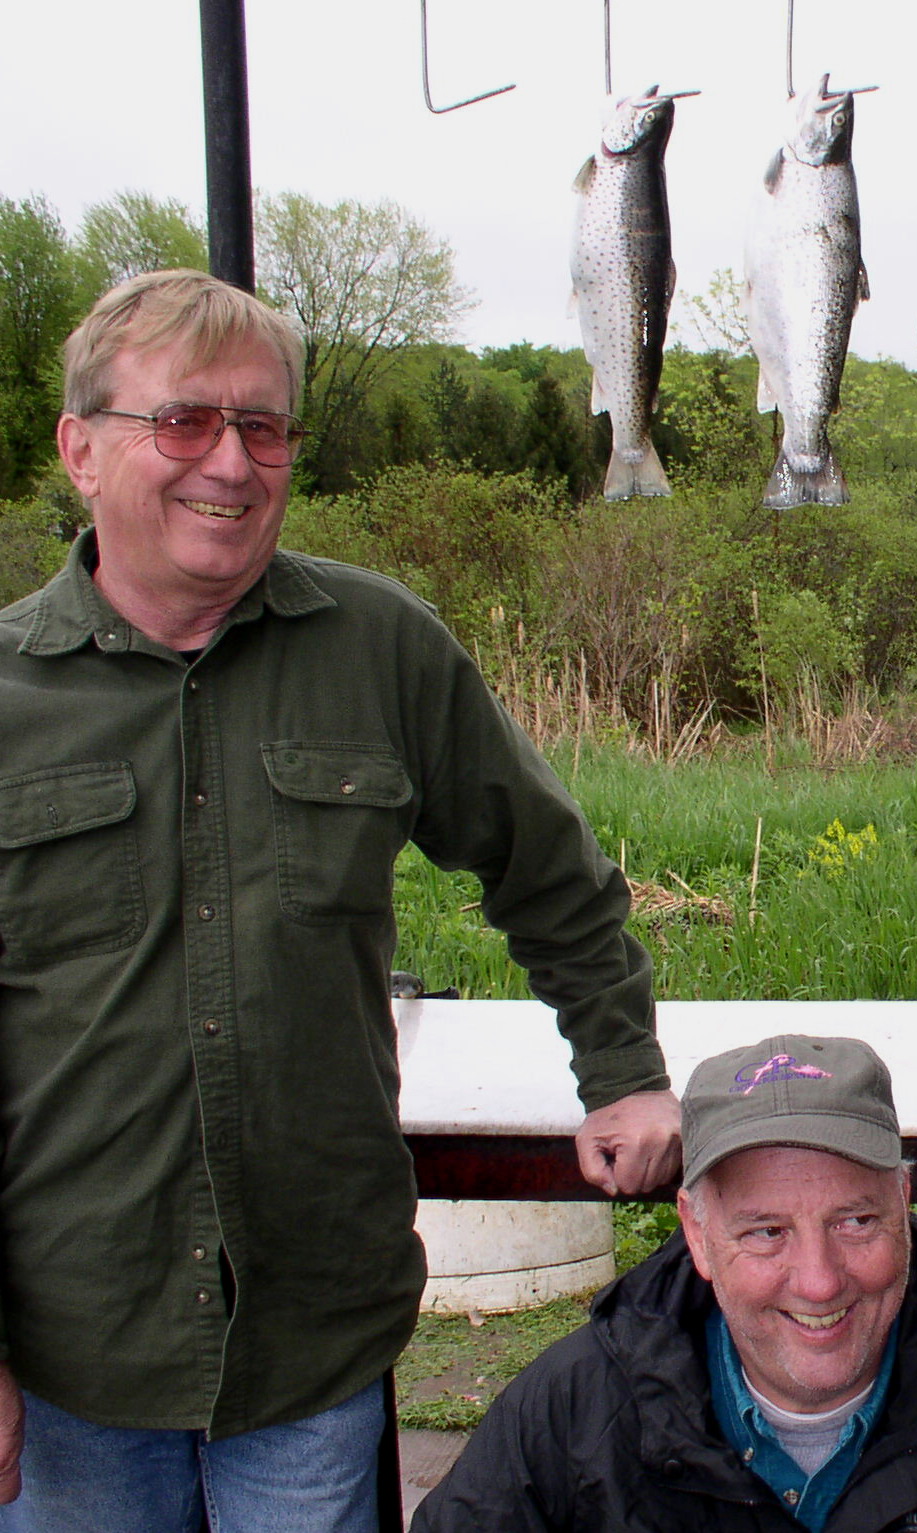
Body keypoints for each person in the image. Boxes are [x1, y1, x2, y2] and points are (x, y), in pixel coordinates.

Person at [0, 270, 682, 1530]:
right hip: (69, 1353)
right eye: (184, 421)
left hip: (312, 1339)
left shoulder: (380, 647)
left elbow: (550, 872)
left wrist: (625, 1070)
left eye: (263, 427)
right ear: (80, 450)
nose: (231, 462)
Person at [414, 1033, 917, 1532]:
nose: (818, 1282)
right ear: (697, 1233)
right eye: (766, 1232)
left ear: (903, 1202)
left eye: (855, 1220)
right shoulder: (573, 1414)